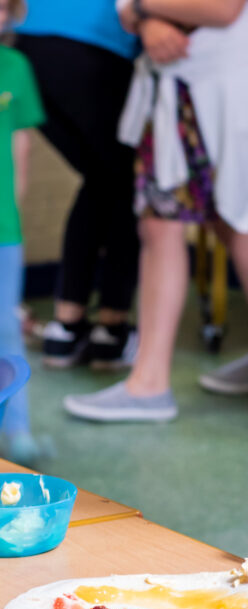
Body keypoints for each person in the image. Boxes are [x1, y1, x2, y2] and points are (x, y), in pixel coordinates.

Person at [63, 0, 248, 422]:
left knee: (221, 221)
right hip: (184, 87)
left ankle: (155, 383)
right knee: (199, 224)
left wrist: (142, 9)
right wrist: (147, 17)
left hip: (220, 84)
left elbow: (225, 8)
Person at [14, 0, 141, 370]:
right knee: (124, 185)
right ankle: (111, 330)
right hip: (98, 46)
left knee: (102, 179)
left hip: (31, 44)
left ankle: (66, 327)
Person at [0, 0, 46, 461]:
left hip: (2, 230)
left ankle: (18, 433)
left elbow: (21, 147)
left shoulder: (15, 67)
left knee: (5, 330)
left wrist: (12, 210)